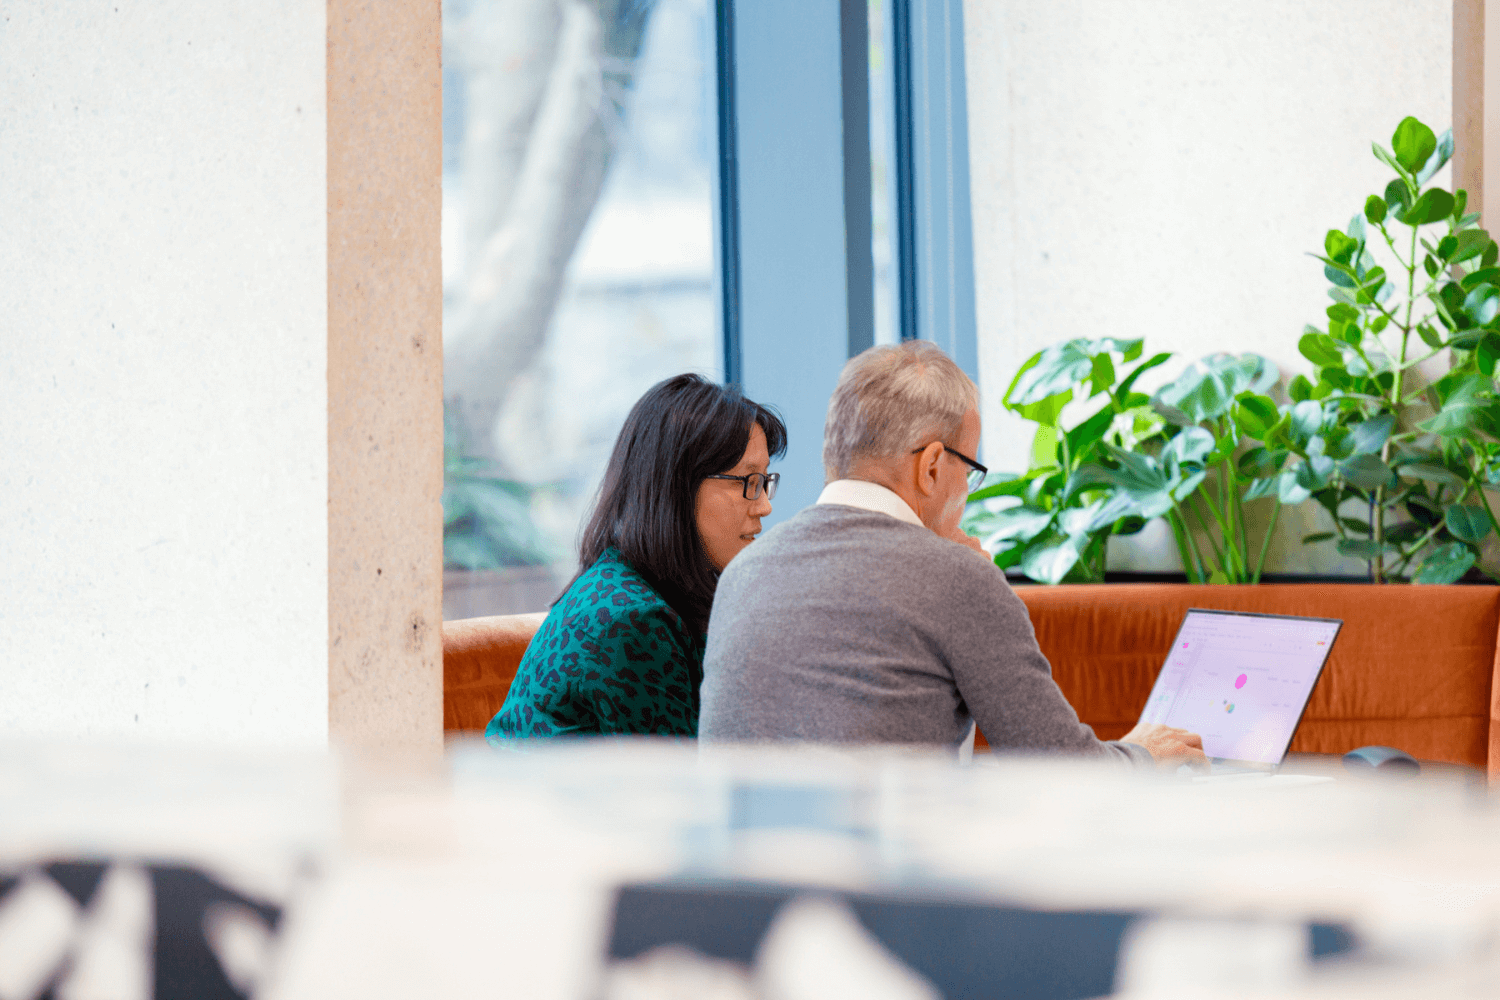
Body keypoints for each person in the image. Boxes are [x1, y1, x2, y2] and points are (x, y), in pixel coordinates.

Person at [698, 341, 1205, 768]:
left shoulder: (743, 573)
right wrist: (1145, 754)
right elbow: (1061, 774)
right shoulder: (956, 579)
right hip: (888, 859)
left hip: (743, 858)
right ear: (932, 467)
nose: (967, 490)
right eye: (969, 469)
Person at [488, 373, 787, 739]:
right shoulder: (633, 621)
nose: (765, 506)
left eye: (765, 482)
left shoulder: (634, 586)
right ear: (678, 487)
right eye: (749, 482)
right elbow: (682, 774)